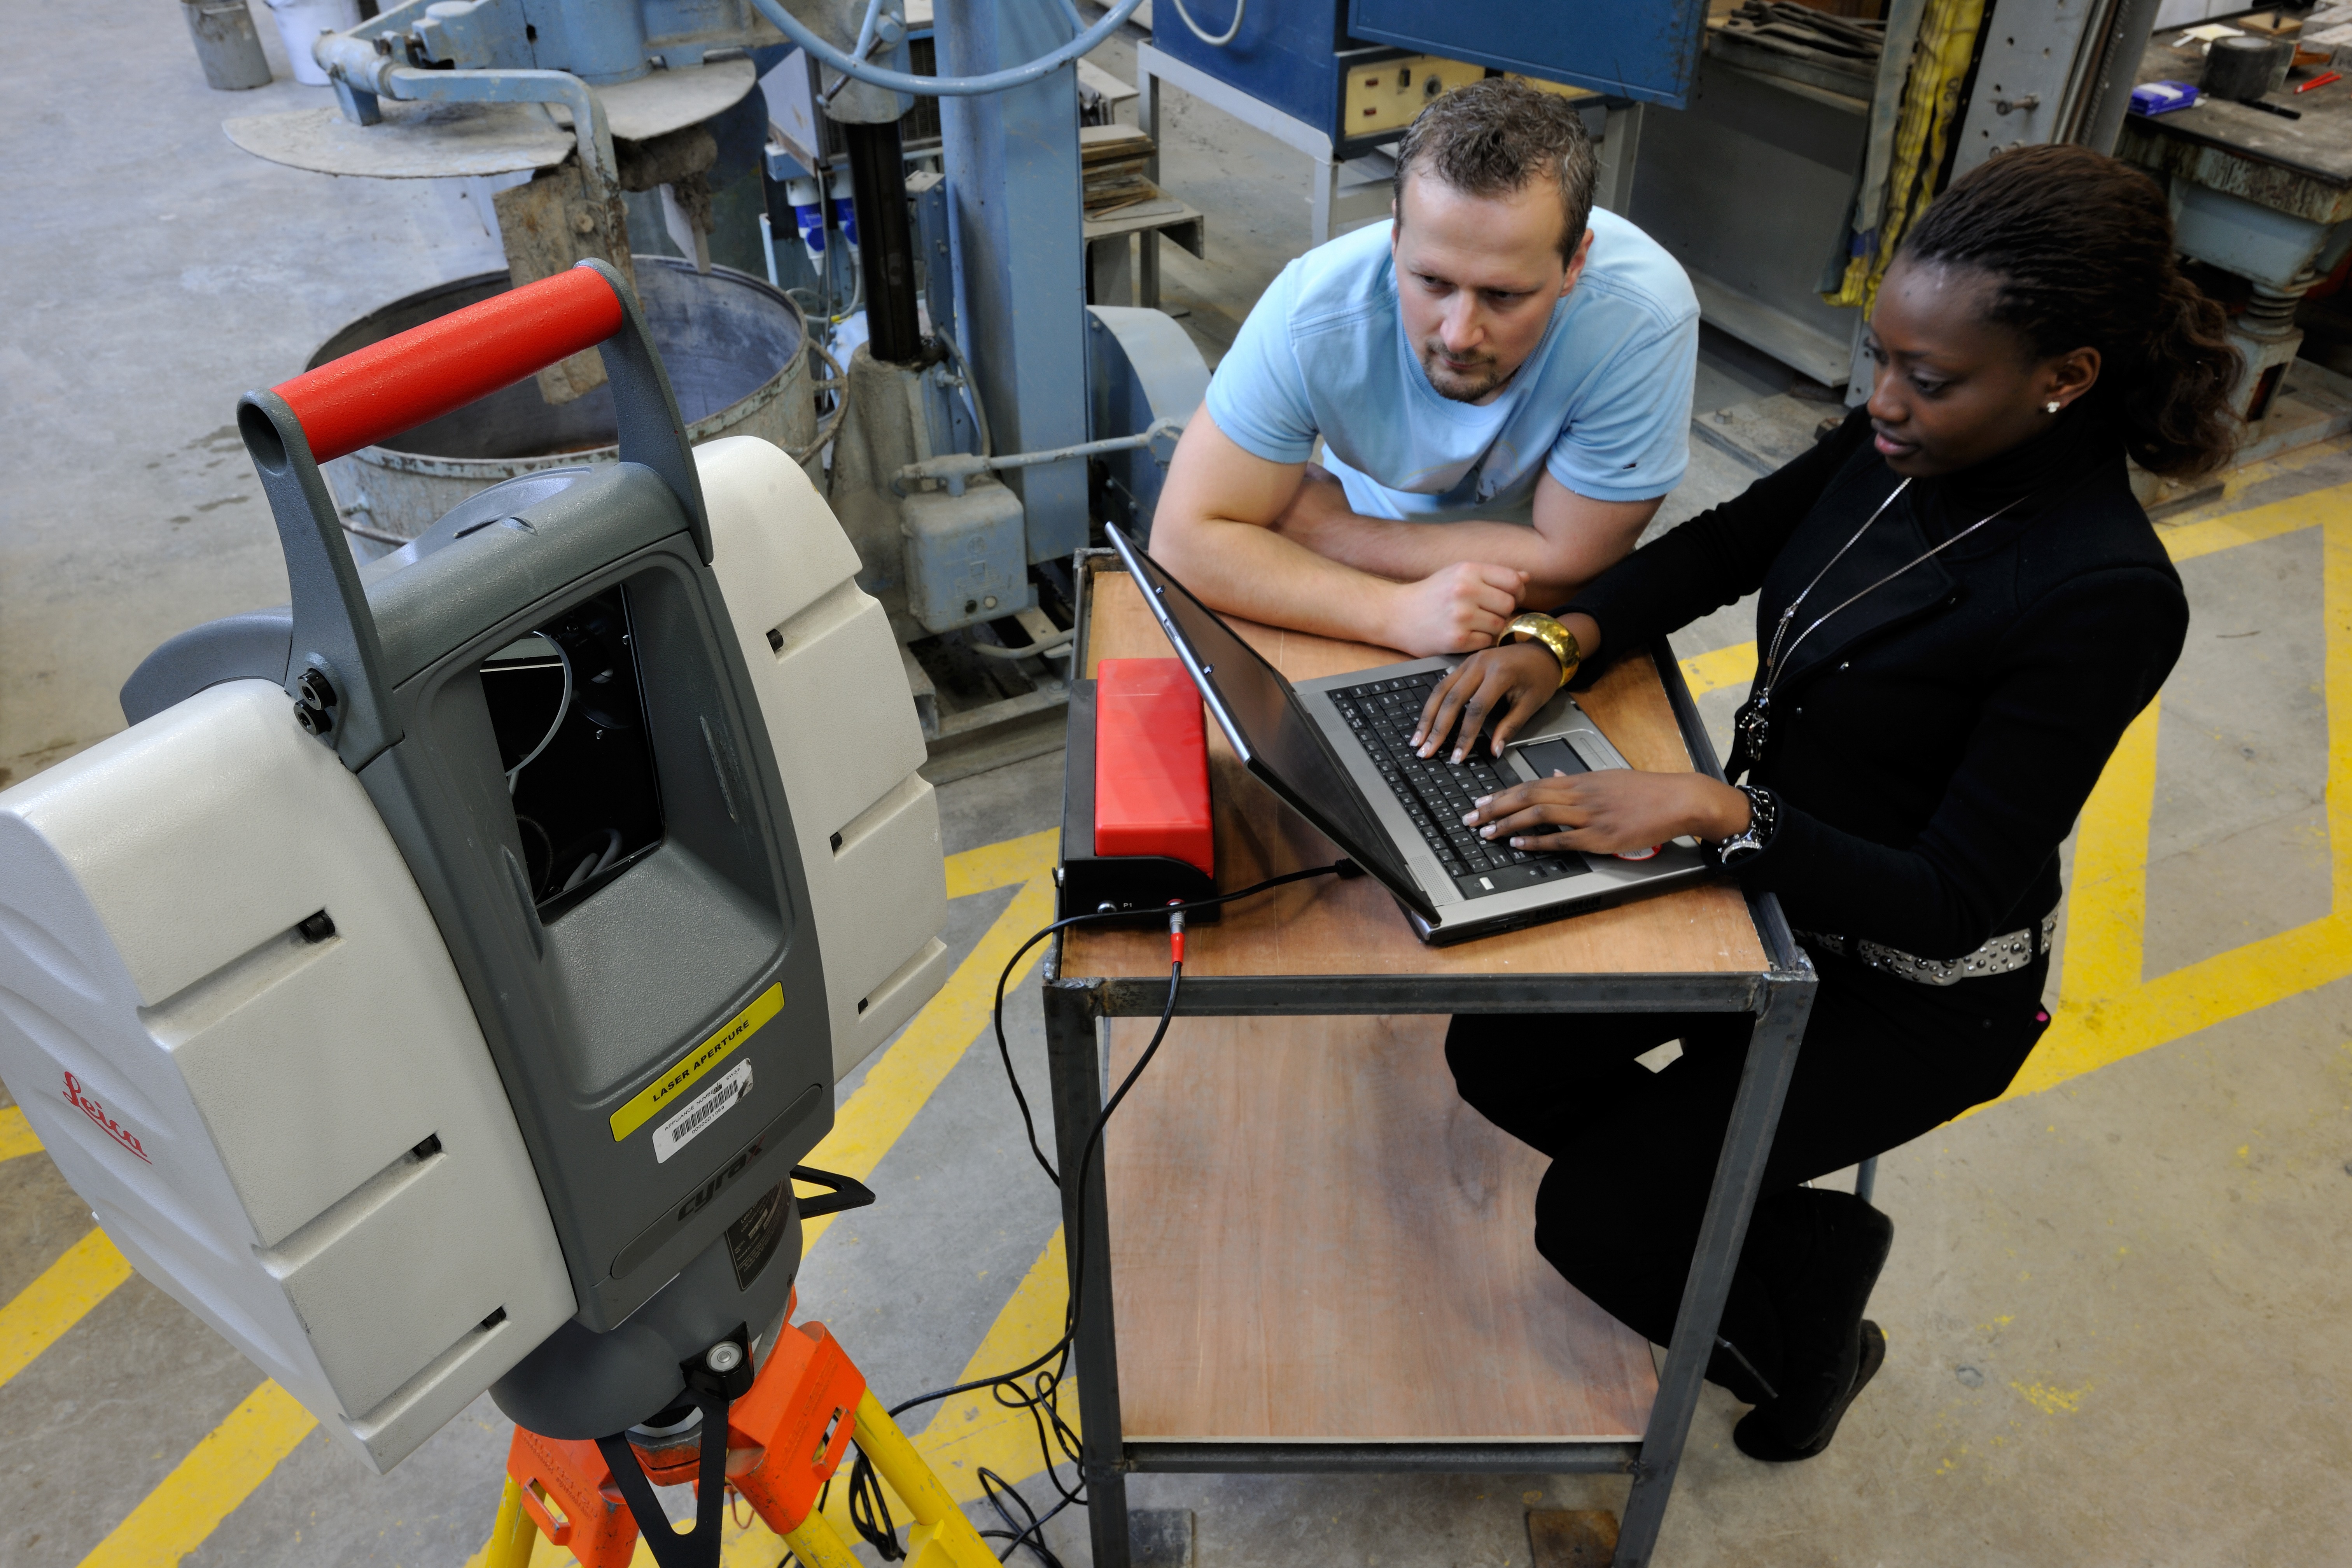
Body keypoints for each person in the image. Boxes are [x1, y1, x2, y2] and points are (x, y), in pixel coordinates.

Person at [1415, 144, 2236, 1461]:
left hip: (1914, 994)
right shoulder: (1888, 445)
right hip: (1769, 897)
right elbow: (1727, 546)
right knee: (1494, 1048)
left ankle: (1813, 1336)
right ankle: (1768, 1216)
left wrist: (1718, 816)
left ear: (2063, 379)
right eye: (1878, 357)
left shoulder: (2099, 595)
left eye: (1928, 377)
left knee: (1593, 1220)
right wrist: (1558, 642)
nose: (1881, 402)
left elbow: (1955, 889)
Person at [1150, 77, 1699, 657]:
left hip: (1517, 612)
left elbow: (1569, 565)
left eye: (1504, 296)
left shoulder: (1641, 320)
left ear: (1574, 265)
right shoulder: (1313, 314)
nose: (1459, 334)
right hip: (1347, 583)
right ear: (1395, 235)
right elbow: (1184, 543)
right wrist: (1392, 613)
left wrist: (1336, 533)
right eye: (1431, 281)